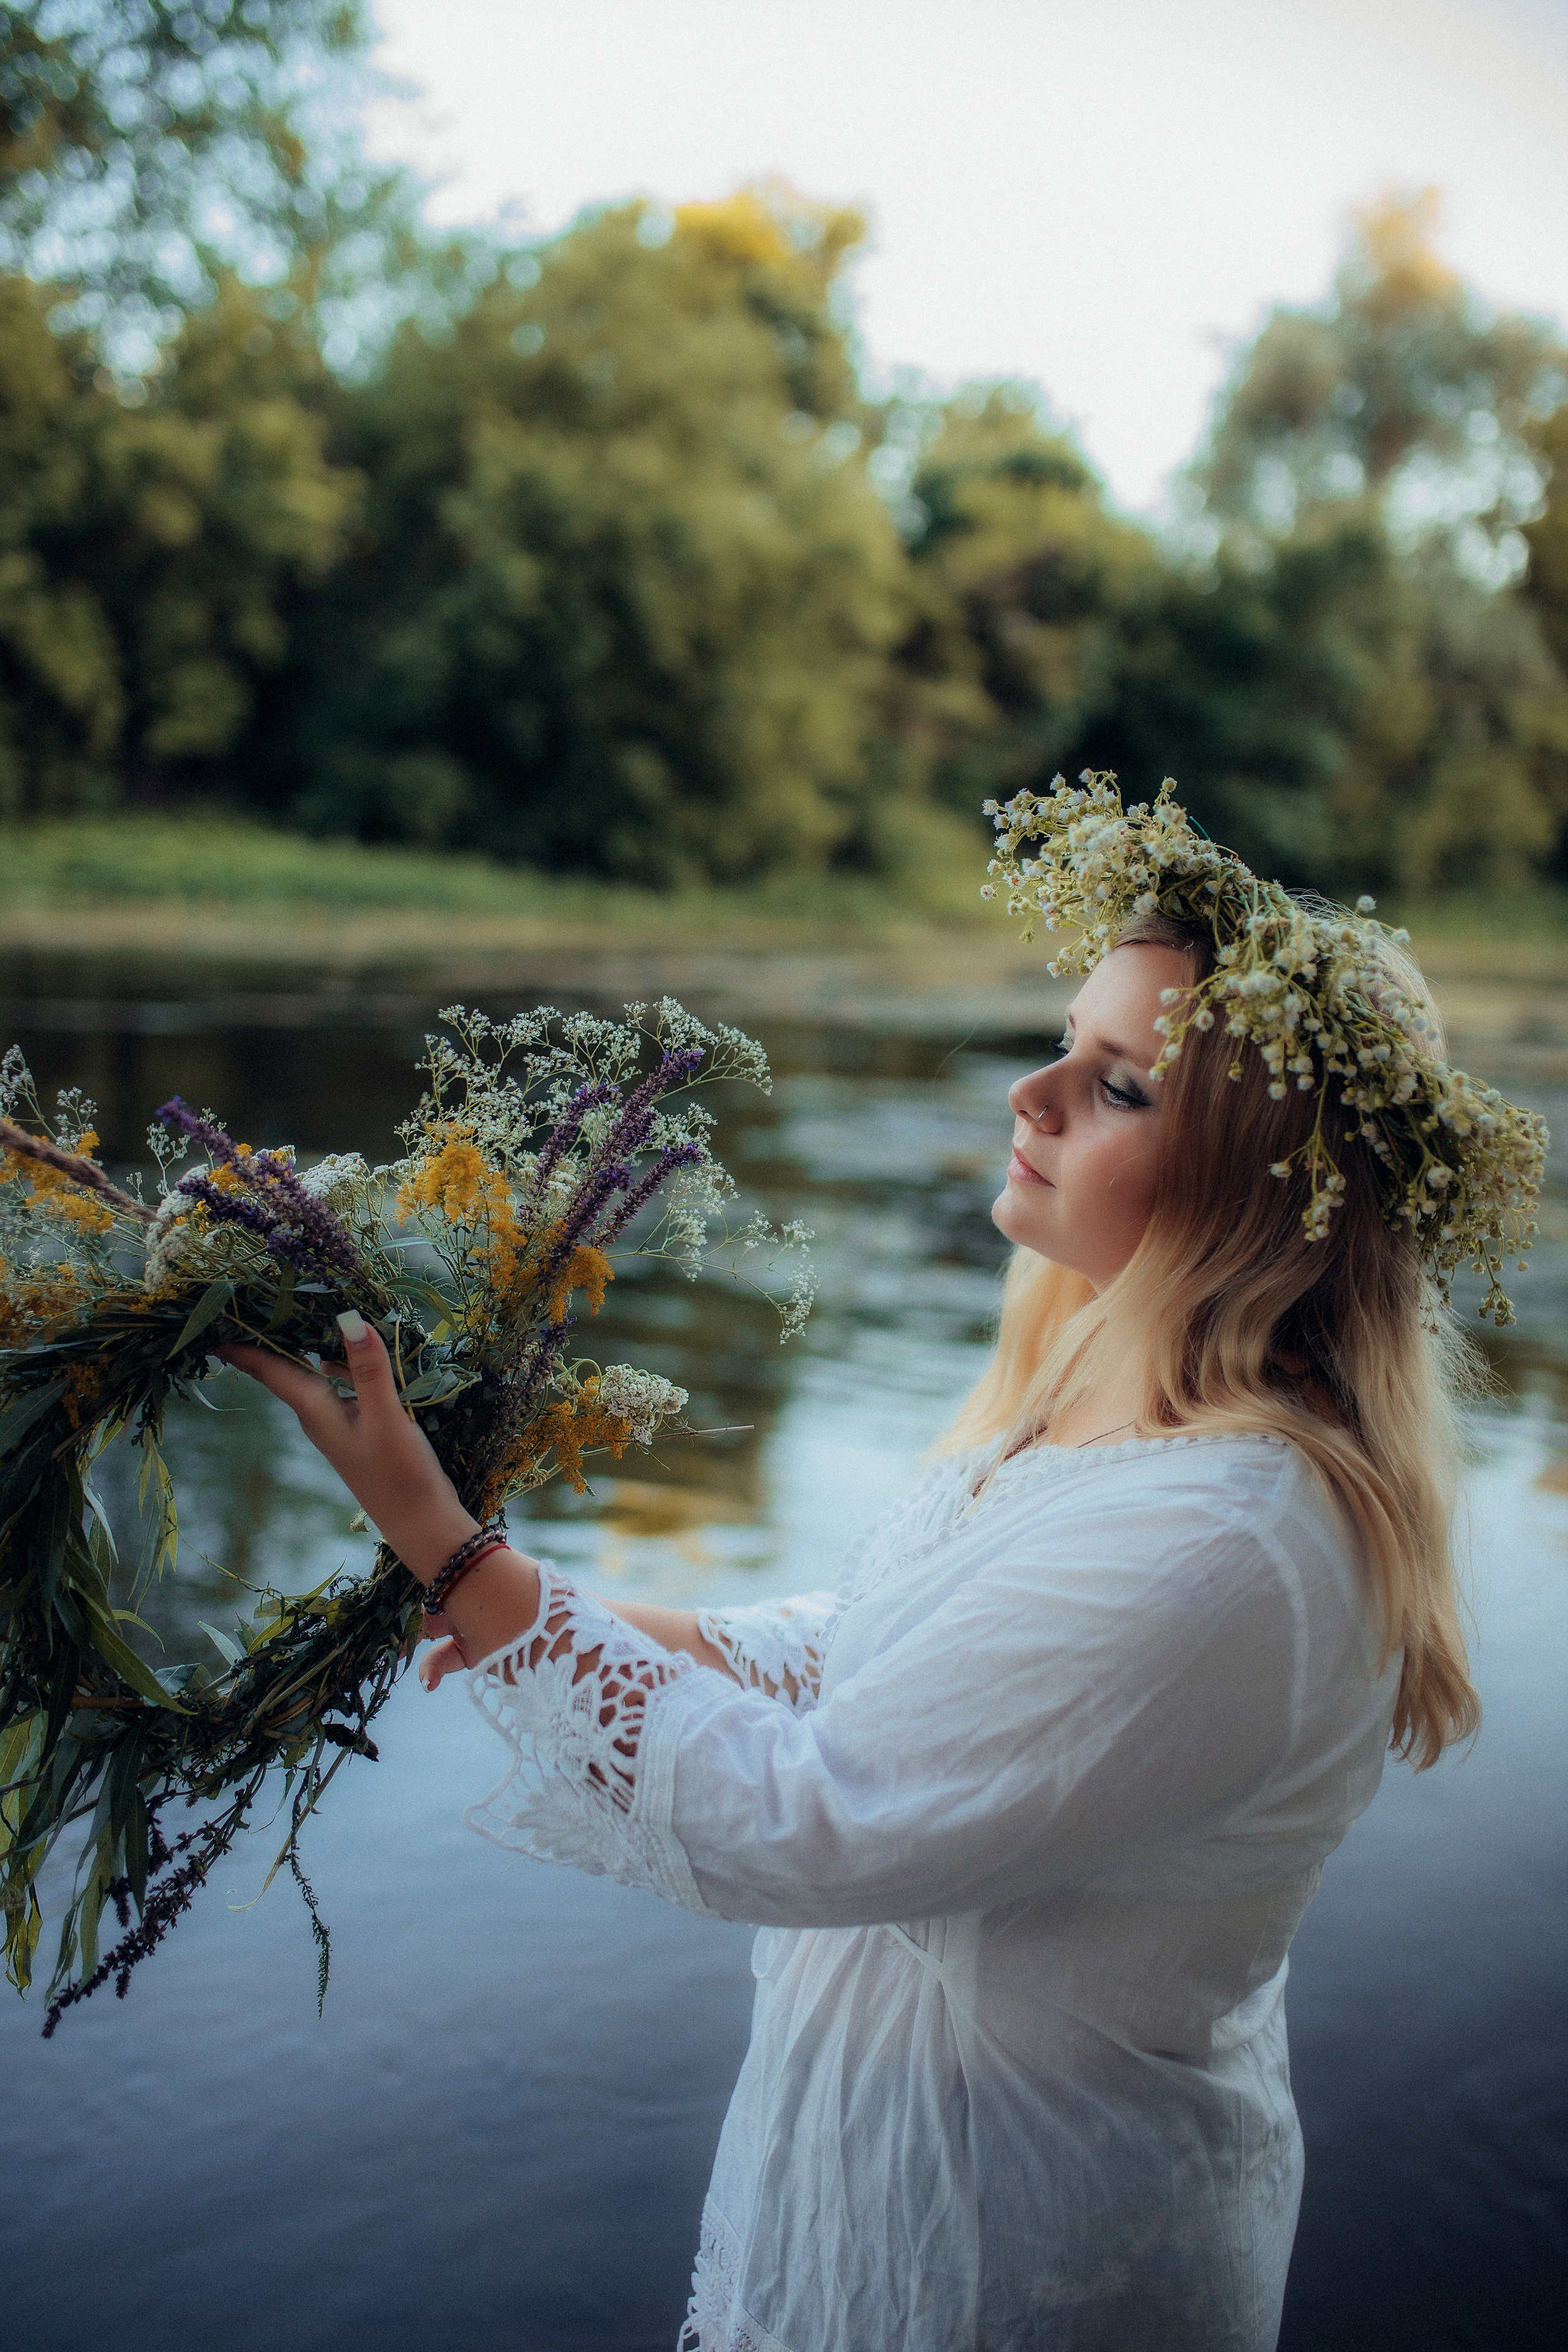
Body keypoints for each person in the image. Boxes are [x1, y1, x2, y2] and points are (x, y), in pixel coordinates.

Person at [223, 777, 1545, 2352]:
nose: (1030, 1095)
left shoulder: (1229, 1541)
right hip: (888, 2186)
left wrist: (449, 1551)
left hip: (1016, 2257)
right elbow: (896, 1646)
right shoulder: (1112, 1393)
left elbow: (817, 1821)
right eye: (1064, 1041)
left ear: (1262, 1189)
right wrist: (577, 1621)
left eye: (1119, 1089)